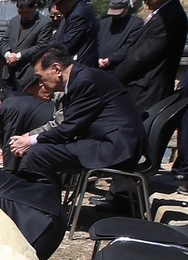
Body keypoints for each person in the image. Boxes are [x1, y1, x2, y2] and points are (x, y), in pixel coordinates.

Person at [8, 47, 144, 187]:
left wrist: (31, 140)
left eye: (40, 77)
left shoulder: (84, 81)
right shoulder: (78, 79)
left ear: (57, 69)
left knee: (38, 153)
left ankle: (47, 206)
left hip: (115, 147)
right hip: (105, 142)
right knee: (42, 150)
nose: (41, 84)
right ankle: (48, 202)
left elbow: (69, 128)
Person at [109, 0, 188, 115]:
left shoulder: (171, 17)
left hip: (146, 95)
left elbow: (140, 58)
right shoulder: (161, 13)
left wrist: (111, 80)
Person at [4, 0, 52, 90]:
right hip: (8, 73)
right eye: (20, 12)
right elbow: (3, 41)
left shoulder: (44, 23)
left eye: (26, 12)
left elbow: (41, 46)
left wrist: (18, 56)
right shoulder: (14, 21)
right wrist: (7, 55)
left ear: (35, 7)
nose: (23, 15)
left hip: (26, 74)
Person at [47, 0, 101, 69]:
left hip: (81, 65)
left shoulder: (78, 15)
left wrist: (47, 53)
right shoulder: (76, 11)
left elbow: (67, 45)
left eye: (58, 4)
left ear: (67, 0)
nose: (57, 8)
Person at [98, 0, 136, 70]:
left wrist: (111, 59)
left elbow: (129, 46)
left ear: (126, 9)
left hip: (120, 68)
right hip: (101, 67)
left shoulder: (135, 24)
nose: (116, 16)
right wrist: (98, 58)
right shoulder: (103, 23)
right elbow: (96, 42)